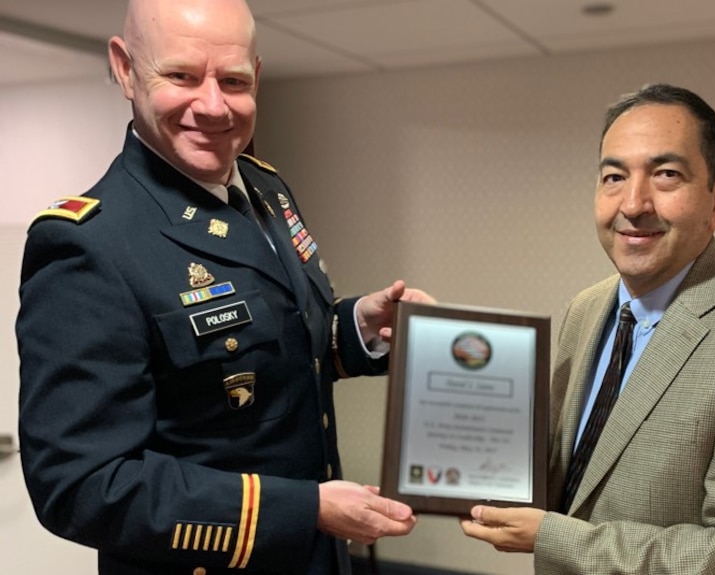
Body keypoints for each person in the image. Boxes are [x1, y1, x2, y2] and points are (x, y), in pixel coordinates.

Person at [16, 1, 432, 574]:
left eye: (233, 81)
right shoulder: (90, 245)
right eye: (181, 76)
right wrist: (302, 508)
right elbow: (82, 486)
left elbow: (274, 344)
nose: (213, 106)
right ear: (124, 67)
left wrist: (359, 325)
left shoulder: (265, 188)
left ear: (256, 77)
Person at [460, 84, 715, 574]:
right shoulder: (585, 310)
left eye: (666, 175)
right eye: (614, 176)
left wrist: (556, 538)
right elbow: (572, 478)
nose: (633, 203)